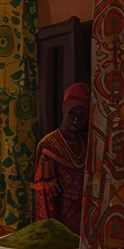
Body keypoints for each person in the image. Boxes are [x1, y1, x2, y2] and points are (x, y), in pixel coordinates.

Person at [31, 83, 90, 234]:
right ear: (64, 110)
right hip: (61, 219)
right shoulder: (49, 146)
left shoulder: (88, 143)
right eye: (72, 113)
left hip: (88, 217)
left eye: (81, 114)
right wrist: (50, 231)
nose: (76, 119)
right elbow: (43, 197)